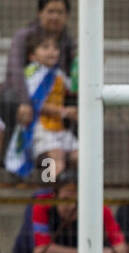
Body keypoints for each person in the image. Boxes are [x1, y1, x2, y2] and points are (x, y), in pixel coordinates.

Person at [32, 168, 128, 253]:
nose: (72, 206)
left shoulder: (100, 209)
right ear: (55, 197)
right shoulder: (42, 206)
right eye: (66, 200)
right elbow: (41, 250)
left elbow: (121, 250)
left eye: (78, 200)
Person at [1, 0, 75, 152]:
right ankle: (11, 154)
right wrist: (25, 102)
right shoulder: (23, 36)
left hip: (54, 99)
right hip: (24, 97)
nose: (55, 17)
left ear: (67, 16)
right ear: (40, 13)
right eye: (50, 11)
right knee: (9, 98)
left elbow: (71, 75)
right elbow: (15, 73)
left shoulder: (68, 41)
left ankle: (68, 161)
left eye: (60, 12)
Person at [3, 31, 77, 179]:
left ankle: (71, 190)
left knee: (79, 155)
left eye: (55, 48)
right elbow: (34, 104)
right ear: (32, 55)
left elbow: (73, 89)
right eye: (45, 47)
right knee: (55, 157)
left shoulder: (58, 73)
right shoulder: (32, 73)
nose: (52, 51)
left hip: (59, 128)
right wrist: (63, 112)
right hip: (39, 128)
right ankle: (48, 190)